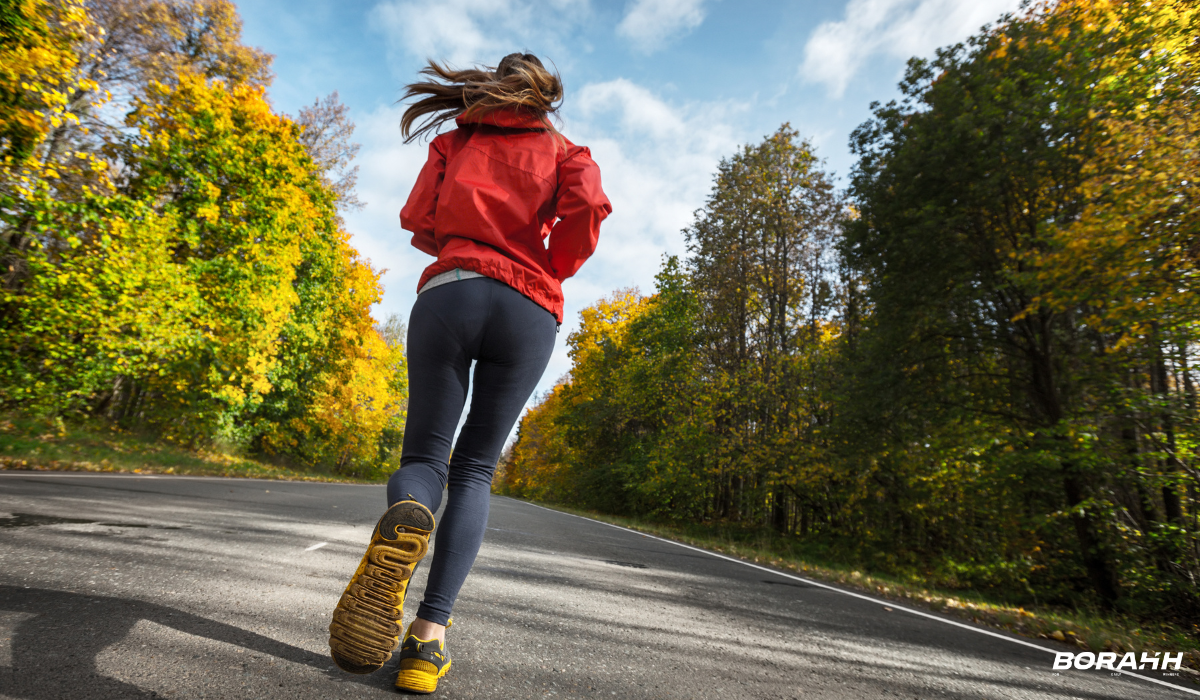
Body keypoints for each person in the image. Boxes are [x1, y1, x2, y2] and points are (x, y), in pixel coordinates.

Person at [327, 53, 611, 694]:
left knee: (426, 455)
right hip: (529, 306)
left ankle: (406, 512)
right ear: (542, 94)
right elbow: (588, 210)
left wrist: (464, 240)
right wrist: (549, 264)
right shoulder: (569, 151)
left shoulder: (454, 142)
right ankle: (427, 646)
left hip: (452, 290)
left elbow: (419, 221)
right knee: (476, 467)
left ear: (490, 86)